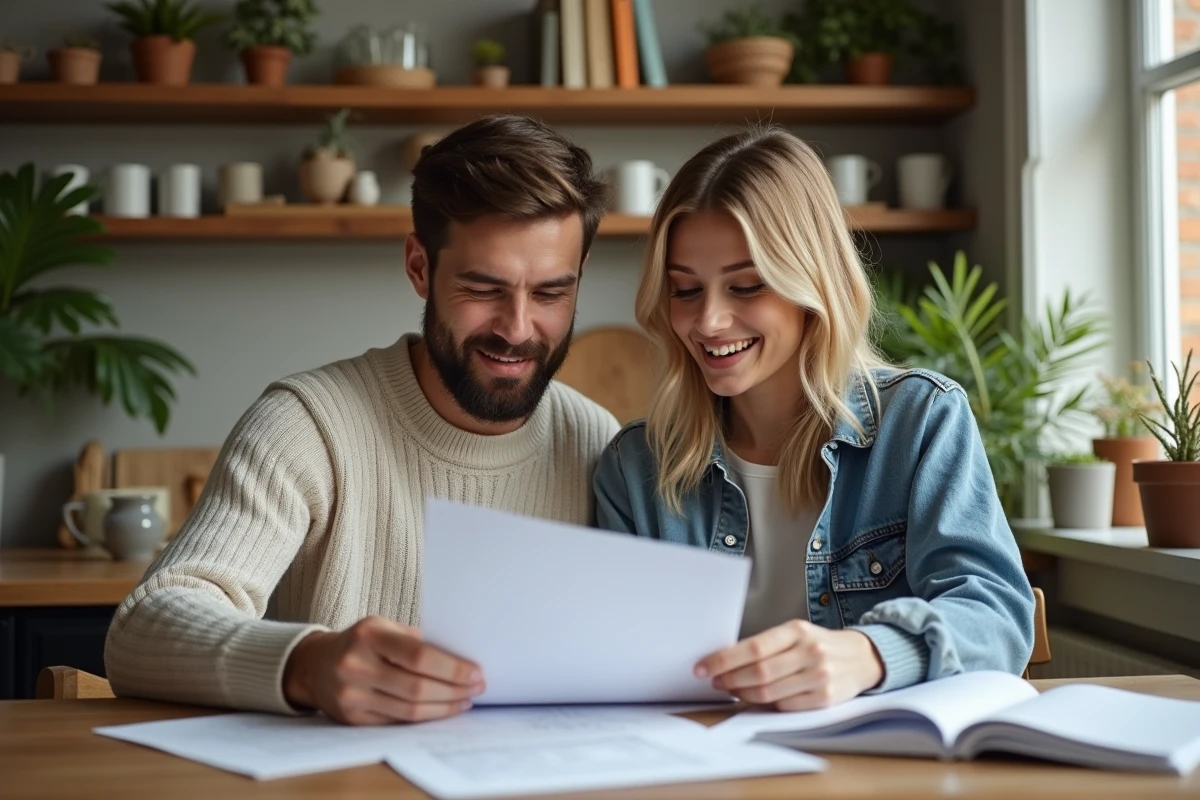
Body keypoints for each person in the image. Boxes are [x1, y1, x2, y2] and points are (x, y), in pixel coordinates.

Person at [105, 114, 619, 724]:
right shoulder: (306, 427)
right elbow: (143, 631)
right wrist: (309, 665)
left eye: (551, 293)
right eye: (484, 289)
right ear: (419, 267)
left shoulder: (600, 446)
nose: (516, 328)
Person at [593, 127, 1034, 712]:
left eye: (746, 285)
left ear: (813, 285)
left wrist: (868, 655)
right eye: (685, 290)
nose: (709, 321)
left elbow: (997, 617)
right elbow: (611, 658)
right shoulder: (635, 468)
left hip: (878, 755)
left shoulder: (920, 422)